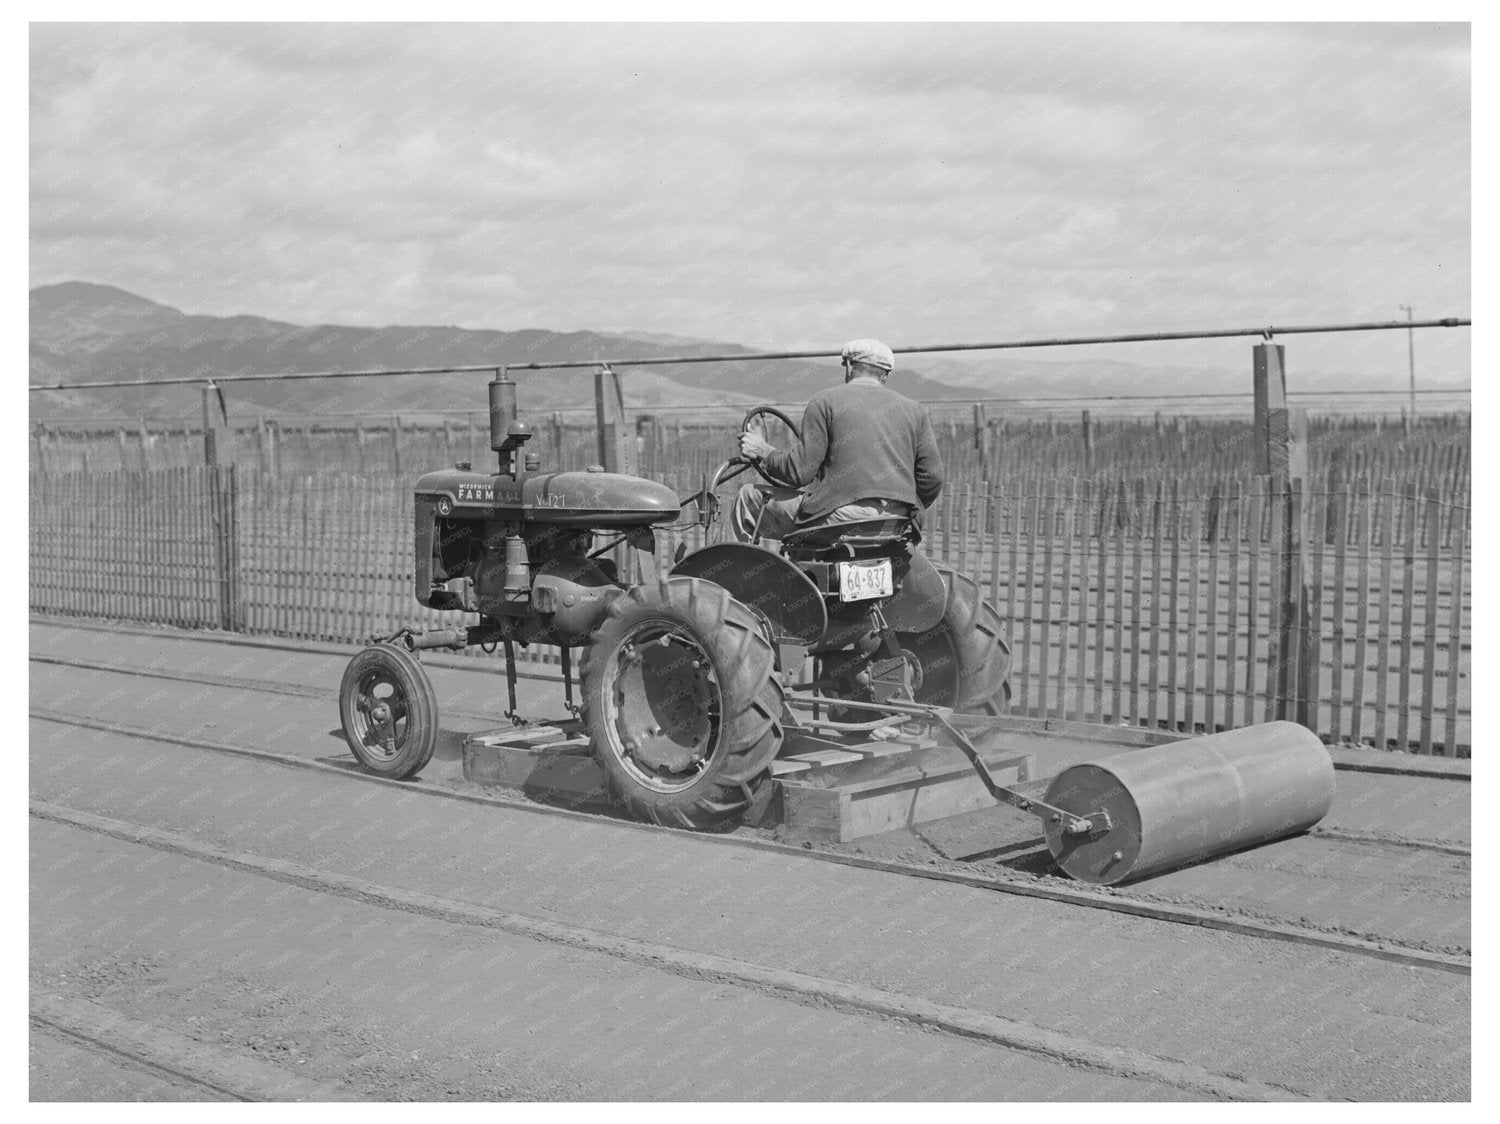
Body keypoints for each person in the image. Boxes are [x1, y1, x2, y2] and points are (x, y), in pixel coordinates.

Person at [732, 338, 944, 542]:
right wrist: (905, 506)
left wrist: (764, 451)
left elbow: (799, 473)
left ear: (849, 366)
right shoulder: (916, 411)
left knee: (747, 497)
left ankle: (729, 575)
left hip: (839, 521)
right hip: (894, 522)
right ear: (886, 375)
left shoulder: (825, 402)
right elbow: (933, 478)